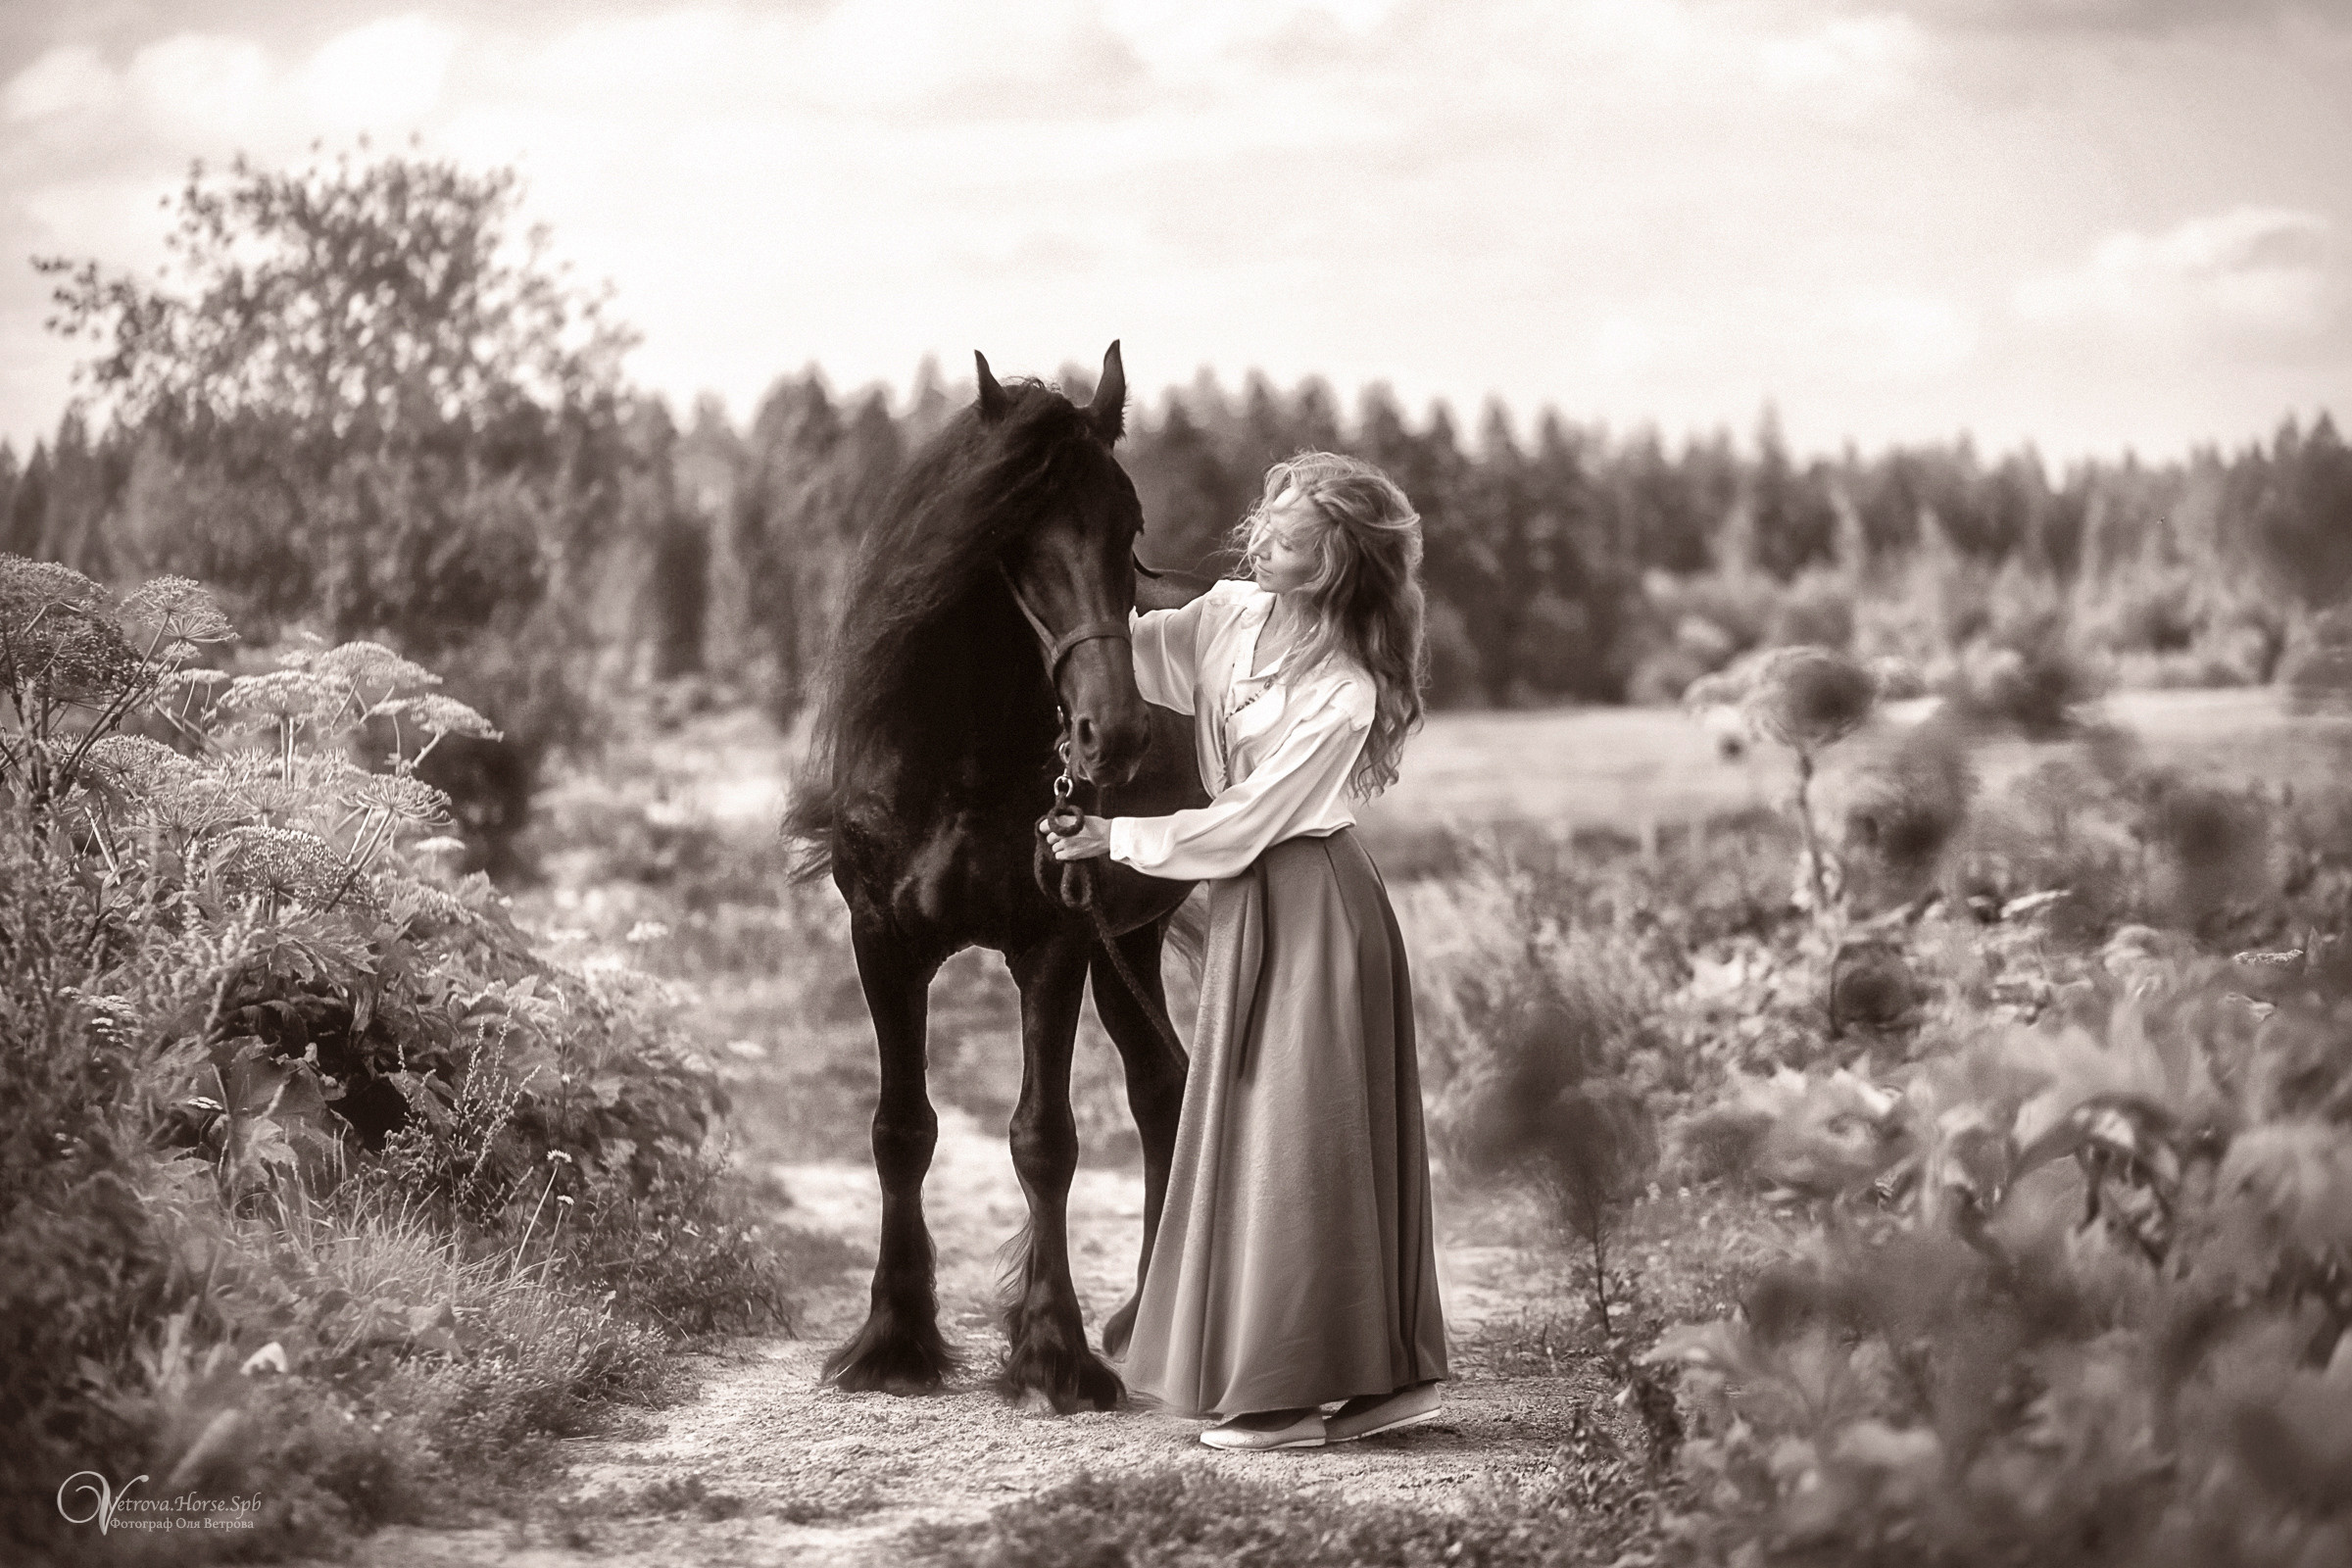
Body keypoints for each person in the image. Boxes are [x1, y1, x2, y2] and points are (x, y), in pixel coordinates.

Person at [1045, 450, 1449, 1452]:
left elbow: (1249, 822)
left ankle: (1280, 1393)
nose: (1257, 541)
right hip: (1255, 909)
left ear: (1335, 562)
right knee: (1299, 1138)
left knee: (1297, 1143)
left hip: (1316, 902)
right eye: (1263, 524)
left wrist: (1118, 838)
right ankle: (1374, 1385)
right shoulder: (1229, 617)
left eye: (1286, 535)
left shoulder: (1345, 691)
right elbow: (1124, 652)